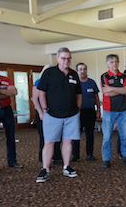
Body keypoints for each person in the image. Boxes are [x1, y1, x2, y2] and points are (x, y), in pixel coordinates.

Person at [35, 47, 82, 183]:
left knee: (68, 141)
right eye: (63, 58)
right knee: (49, 142)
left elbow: (79, 93)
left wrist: (78, 108)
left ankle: (66, 166)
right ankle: (45, 169)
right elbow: (41, 93)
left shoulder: (74, 74)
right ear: (57, 58)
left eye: (68, 58)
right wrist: (44, 110)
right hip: (52, 114)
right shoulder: (49, 73)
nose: (66, 61)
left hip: (71, 115)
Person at [0, 58, 23, 169]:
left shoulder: (6, 79)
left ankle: (12, 161)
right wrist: (5, 92)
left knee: (10, 136)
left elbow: (14, 92)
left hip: (7, 109)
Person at [100, 54, 126, 169]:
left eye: (116, 62)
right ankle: (106, 159)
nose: (114, 64)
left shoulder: (124, 76)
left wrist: (112, 88)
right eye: (111, 62)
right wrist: (121, 90)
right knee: (107, 136)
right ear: (107, 64)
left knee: (124, 135)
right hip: (109, 110)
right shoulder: (104, 76)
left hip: (123, 110)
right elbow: (106, 93)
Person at [72, 62, 100, 162]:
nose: (83, 71)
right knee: (76, 134)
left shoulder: (91, 82)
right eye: (80, 69)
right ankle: (75, 155)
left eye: (84, 69)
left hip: (90, 111)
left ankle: (89, 154)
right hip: (77, 112)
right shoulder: (74, 83)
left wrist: (98, 110)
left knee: (90, 134)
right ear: (77, 71)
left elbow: (96, 97)